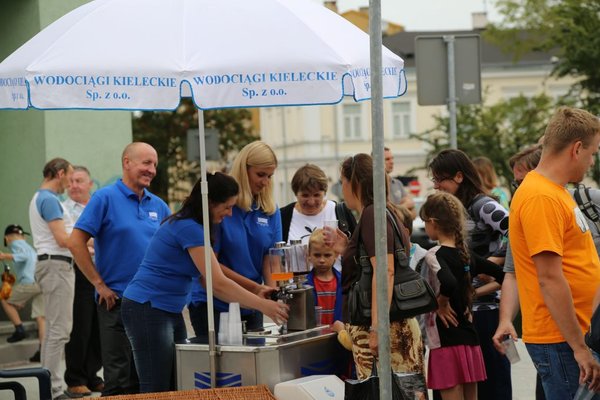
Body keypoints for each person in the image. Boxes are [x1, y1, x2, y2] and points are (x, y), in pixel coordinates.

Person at [121, 172, 288, 393]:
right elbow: (217, 284)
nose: (230, 214)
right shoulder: (189, 227)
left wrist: (256, 288)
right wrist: (262, 305)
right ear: (209, 203)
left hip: (167, 310)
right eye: (227, 207)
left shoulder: (200, 227)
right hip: (148, 307)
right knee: (156, 387)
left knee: (176, 382)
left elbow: (210, 276)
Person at [505, 106, 600, 398]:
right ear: (576, 148)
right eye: (593, 153)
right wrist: (578, 347)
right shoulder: (541, 197)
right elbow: (548, 278)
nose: (592, 161)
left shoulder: (554, 190)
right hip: (561, 339)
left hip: (570, 335)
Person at [68, 143, 171, 396]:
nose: (152, 170)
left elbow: (172, 248)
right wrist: (99, 284)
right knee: (120, 381)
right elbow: (75, 241)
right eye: (146, 163)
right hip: (117, 302)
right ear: (127, 162)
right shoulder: (105, 198)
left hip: (153, 304)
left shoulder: (158, 206)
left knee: (151, 378)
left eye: (155, 164)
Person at [325, 153, 426, 399]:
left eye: (343, 181)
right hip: (393, 324)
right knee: (407, 393)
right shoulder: (385, 212)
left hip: (384, 325)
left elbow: (385, 270)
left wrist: (376, 329)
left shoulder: (372, 215)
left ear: (355, 183)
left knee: (386, 392)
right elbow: (375, 265)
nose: (342, 188)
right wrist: (347, 248)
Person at [428, 148, 510, 400]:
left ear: (459, 177)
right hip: (468, 309)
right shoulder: (456, 208)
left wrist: (492, 261)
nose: (436, 185)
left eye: (439, 179)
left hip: (488, 311)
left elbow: (521, 230)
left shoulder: (482, 205)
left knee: (493, 385)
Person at [188, 141, 281, 336]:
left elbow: (271, 259)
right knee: (219, 365)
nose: (265, 182)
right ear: (243, 169)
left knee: (251, 365)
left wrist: (272, 294)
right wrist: (255, 290)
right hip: (214, 303)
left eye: (270, 176)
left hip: (252, 304)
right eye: (260, 174)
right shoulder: (221, 207)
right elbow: (210, 264)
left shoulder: (270, 209)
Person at [28, 157, 74, 400]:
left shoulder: (43, 198)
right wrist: (88, 245)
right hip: (56, 265)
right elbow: (63, 240)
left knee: (56, 329)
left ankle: (49, 384)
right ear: (59, 173)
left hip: (52, 265)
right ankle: (53, 390)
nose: (69, 181)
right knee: (59, 329)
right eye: (69, 175)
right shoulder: (48, 199)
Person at [62, 166, 103, 398]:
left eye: (79, 181)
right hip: (79, 272)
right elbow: (72, 240)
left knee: (99, 328)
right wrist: (95, 244)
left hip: (103, 272)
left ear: (90, 184)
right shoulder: (64, 209)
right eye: (71, 181)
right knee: (80, 327)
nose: (74, 185)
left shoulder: (98, 206)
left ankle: (92, 375)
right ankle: (75, 378)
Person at [279, 163, 356, 271]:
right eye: (305, 195)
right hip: (295, 286)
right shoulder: (283, 216)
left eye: (316, 195)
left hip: (337, 286)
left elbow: (358, 252)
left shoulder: (340, 211)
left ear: (324, 192)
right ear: (296, 193)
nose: (311, 202)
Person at [0, 225, 45, 362]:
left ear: (6, 239)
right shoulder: (28, 246)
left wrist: (4, 255)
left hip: (29, 282)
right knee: (41, 317)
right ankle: (42, 351)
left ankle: (19, 329)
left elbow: (23, 256)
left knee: (4, 298)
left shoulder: (15, 244)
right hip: (41, 282)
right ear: (23, 236)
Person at [305, 229, 342, 325]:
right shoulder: (304, 285)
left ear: (336, 255)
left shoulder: (344, 282)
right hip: (313, 336)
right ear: (308, 255)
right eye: (317, 255)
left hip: (338, 336)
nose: (322, 260)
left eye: (327, 255)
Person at [385, 146, 415, 215]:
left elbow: (413, 214)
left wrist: (396, 209)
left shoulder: (398, 183)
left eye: (392, 158)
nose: (392, 162)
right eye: (387, 159)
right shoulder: (373, 186)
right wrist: (404, 206)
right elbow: (387, 213)